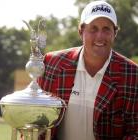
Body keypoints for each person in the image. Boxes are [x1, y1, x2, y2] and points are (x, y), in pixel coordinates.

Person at [38, 0, 138, 140]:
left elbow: (134, 132)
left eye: (106, 29)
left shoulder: (133, 75)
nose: (100, 36)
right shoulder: (52, 64)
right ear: (81, 31)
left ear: (114, 33)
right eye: (93, 28)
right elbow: (36, 121)